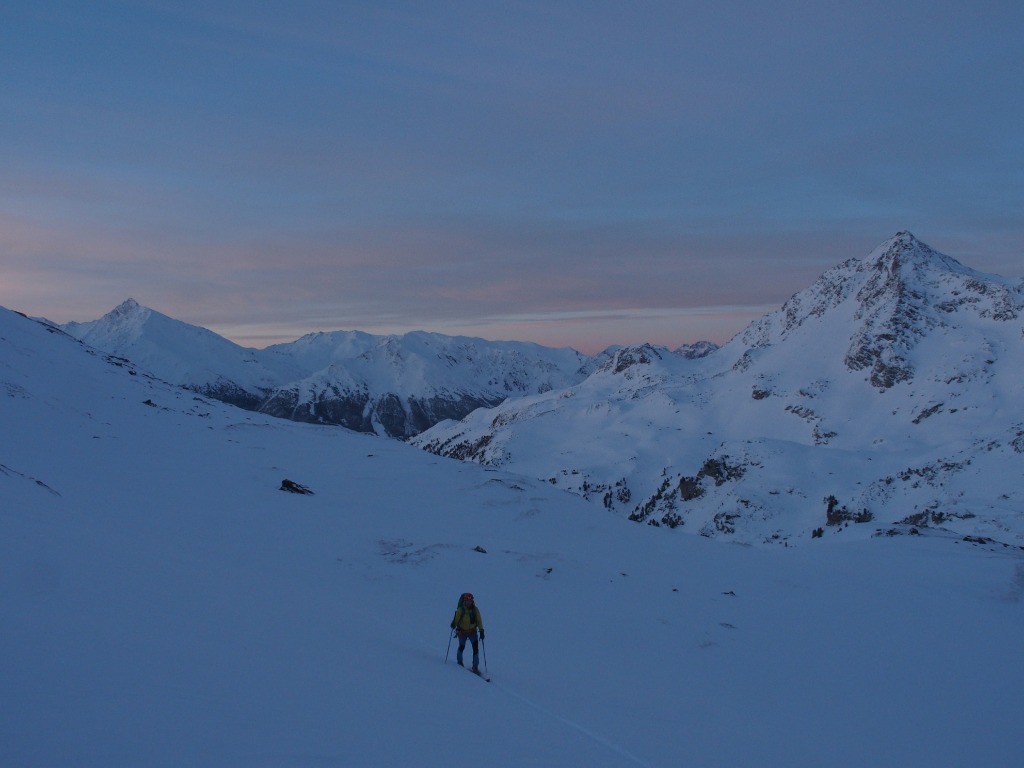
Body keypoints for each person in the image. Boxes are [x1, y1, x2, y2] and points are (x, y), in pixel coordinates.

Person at [450, 592, 485, 672]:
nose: (469, 602)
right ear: (464, 601)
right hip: (462, 632)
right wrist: (453, 624)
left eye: (470, 601)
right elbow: (456, 619)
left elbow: (479, 621)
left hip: (473, 632)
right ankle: (459, 662)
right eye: (467, 601)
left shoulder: (475, 610)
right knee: (462, 647)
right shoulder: (460, 610)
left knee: (475, 648)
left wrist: (481, 631)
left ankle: (475, 666)